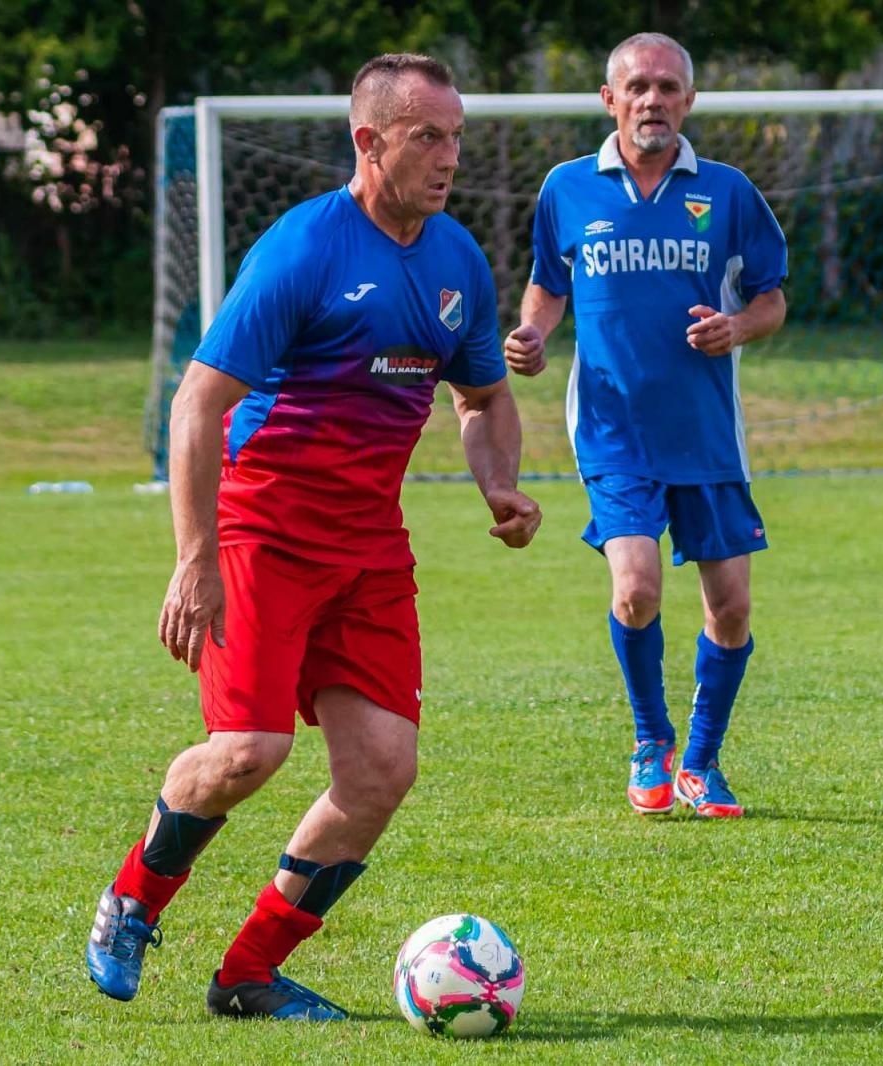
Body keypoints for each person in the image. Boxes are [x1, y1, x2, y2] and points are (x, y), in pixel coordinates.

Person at [86, 53, 541, 1021]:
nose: (449, 156)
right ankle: (132, 899)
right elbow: (196, 405)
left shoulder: (457, 260)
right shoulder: (303, 248)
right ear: (369, 141)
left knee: (381, 772)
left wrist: (498, 482)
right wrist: (196, 559)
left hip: (369, 549)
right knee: (247, 751)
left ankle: (248, 975)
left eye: (456, 137)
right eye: (427, 136)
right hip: (262, 532)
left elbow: (483, 397)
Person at [505, 32, 787, 819]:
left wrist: (738, 326)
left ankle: (701, 762)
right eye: (637, 86)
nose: (652, 100)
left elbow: (771, 298)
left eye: (667, 87)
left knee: (731, 608)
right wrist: (532, 333)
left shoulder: (729, 192)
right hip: (613, 430)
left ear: (688, 100)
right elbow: (548, 285)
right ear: (610, 100)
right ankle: (649, 739)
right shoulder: (566, 188)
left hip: (706, 433)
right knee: (635, 590)